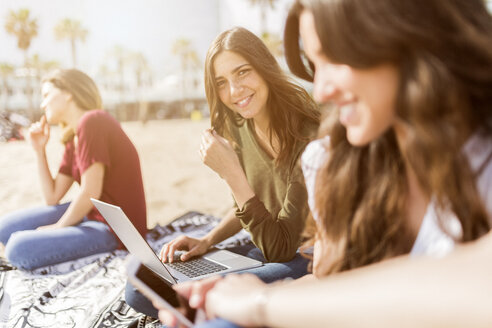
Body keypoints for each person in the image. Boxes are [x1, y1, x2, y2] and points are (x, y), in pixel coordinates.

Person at [156, 0, 492, 326]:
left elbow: (473, 286)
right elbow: (327, 277)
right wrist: (217, 255)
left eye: (338, 57)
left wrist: (262, 303)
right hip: (280, 253)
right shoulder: (346, 158)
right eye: (316, 65)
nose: (321, 91)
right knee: (177, 298)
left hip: (282, 247)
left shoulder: (313, 142)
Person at [124, 26, 320, 318]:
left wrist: (232, 175)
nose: (234, 91)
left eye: (242, 72)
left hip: (304, 256)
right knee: (141, 287)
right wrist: (208, 240)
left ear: (265, 68)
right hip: (262, 245)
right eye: (221, 82)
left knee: (196, 296)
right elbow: (251, 201)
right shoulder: (241, 127)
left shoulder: (306, 137)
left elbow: (280, 247)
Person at [0, 69, 147, 270]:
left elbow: (90, 191)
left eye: (46, 95)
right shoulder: (73, 138)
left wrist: (57, 228)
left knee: (17, 249)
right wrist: (39, 150)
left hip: (116, 229)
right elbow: (52, 197)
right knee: (5, 228)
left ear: (68, 93)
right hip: (92, 214)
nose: (42, 104)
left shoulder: (93, 121)